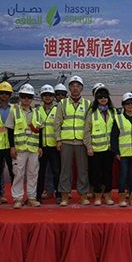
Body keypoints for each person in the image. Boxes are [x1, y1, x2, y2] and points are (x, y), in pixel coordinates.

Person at [54, 75, 90, 206]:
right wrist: (58, 140)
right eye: (73, 86)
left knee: (83, 170)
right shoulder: (62, 103)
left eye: (78, 86)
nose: (75, 88)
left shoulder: (87, 104)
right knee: (65, 170)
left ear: (82, 88)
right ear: (69, 88)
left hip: (81, 142)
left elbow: (88, 125)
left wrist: (88, 143)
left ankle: (83, 195)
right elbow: (57, 123)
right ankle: (64, 195)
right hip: (66, 142)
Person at [5, 84, 41, 208]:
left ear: (32, 98)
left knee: (33, 173)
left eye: (29, 97)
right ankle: (18, 199)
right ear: (20, 97)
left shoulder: (37, 112)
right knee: (18, 173)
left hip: (33, 148)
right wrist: (12, 147)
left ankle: (31, 197)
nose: (26, 99)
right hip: (19, 148)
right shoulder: (14, 111)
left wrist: (40, 146)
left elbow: (40, 131)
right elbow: (10, 130)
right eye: (24, 96)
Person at [84, 85, 116, 206]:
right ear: (96, 99)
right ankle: (97, 196)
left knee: (108, 173)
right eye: (100, 97)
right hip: (96, 149)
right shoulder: (92, 112)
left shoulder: (113, 112)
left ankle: (107, 196)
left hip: (109, 149)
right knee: (96, 173)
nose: (103, 99)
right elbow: (87, 131)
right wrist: (89, 147)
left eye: (105, 97)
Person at [112, 92, 132, 207]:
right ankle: (122, 198)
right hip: (123, 153)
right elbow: (114, 137)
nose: (130, 105)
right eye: (127, 103)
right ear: (123, 105)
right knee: (123, 175)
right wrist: (116, 152)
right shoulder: (118, 118)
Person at [37, 84, 60, 204]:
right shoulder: (37, 111)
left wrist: (59, 141)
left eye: (50, 95)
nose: (47, 97)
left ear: (53, 97)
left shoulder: (58, 110)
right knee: (40, 172)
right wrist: (38, 146)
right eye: (45, 95)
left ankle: (59, 195)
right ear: (41, 97)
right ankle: (38, 195)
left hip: (54, 146)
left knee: (57, 171)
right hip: (41, 147)